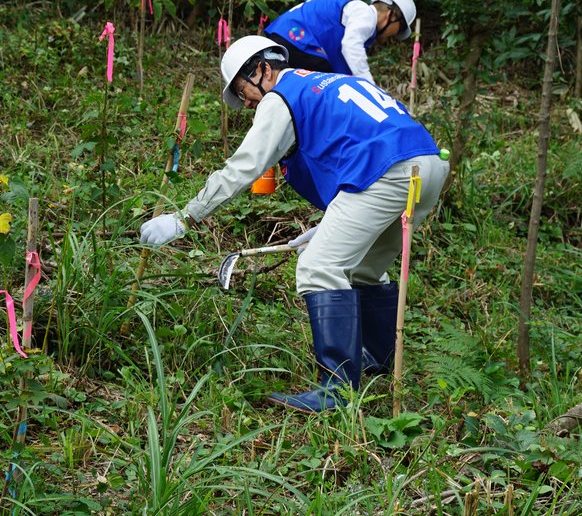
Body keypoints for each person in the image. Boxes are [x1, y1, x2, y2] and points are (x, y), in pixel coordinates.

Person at [139, 36, 449, 413]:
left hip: (385, 172)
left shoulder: (281, 95)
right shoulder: (323, 84)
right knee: (365, 269)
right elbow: (353, 144)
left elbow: (244, 167)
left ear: (262, 70)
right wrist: (332, 224)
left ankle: (336, 392)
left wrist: (186, 217)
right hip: (426, 167)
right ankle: (379, 362)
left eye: (244, 91)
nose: (249, 104)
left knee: (319, 268)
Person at [263, 0, 416, 85]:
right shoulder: (366, 15)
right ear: (391, 15)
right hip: (296, 40)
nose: (395, 35)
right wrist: (369, 86)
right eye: (400, 28)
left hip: (285, 35)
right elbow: (351, 46)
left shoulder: (356, 14)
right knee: (326, 84)